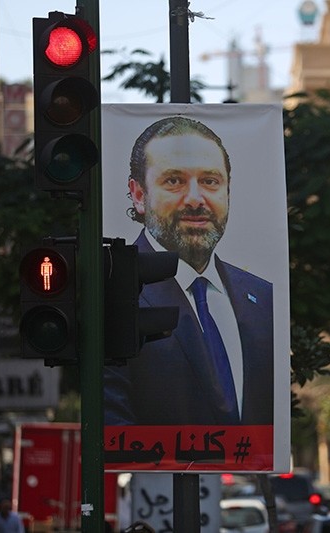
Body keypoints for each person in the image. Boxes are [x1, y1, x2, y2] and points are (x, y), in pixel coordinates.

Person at [104, 115, 274, 427]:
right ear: (139, 195)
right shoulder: (111, 292)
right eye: (174, 181)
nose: (196, 199)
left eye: (210, 181)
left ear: (227, 191)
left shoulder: (264, 298)